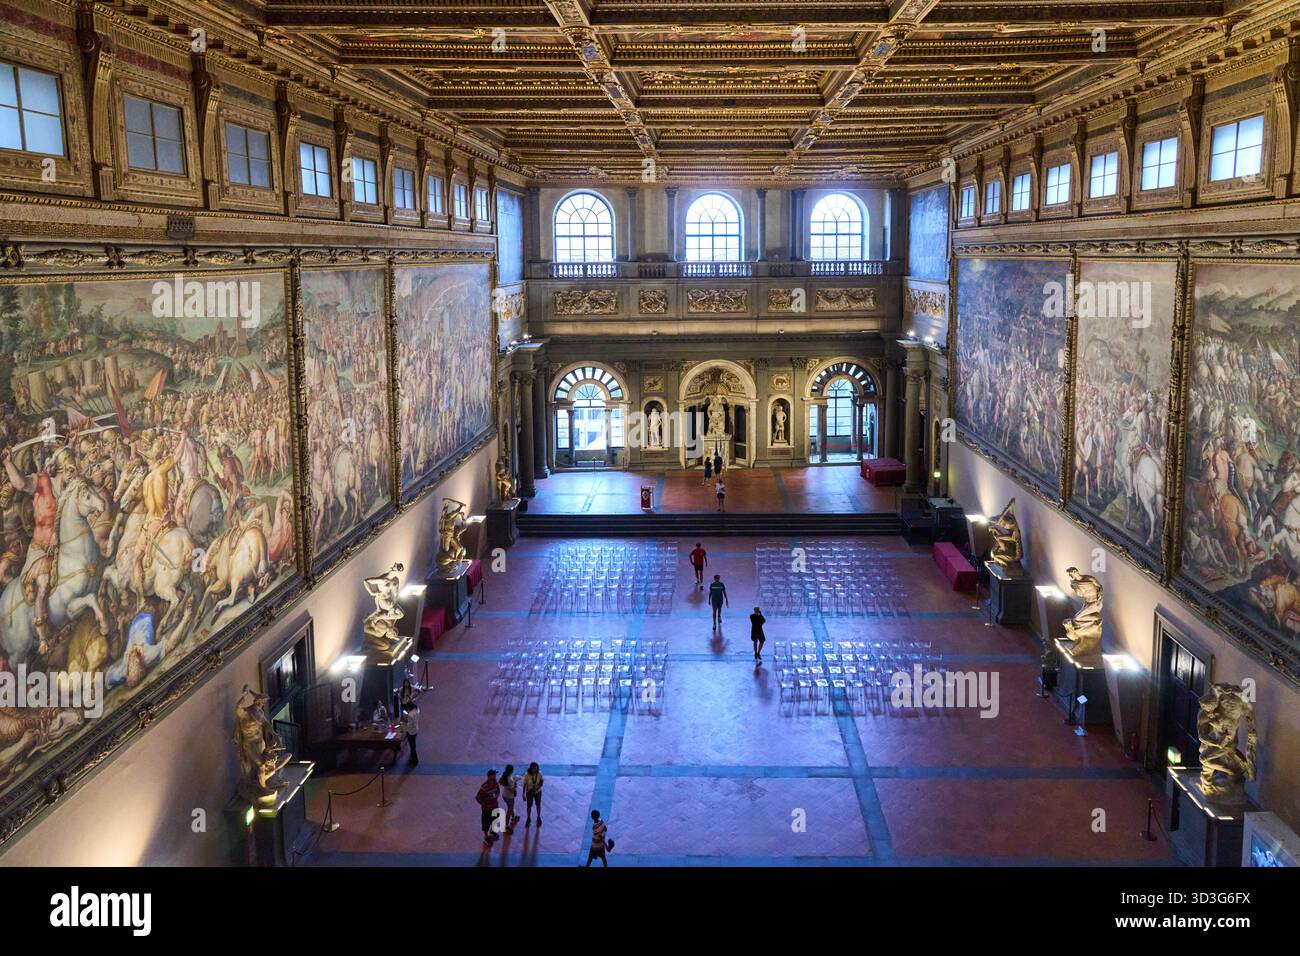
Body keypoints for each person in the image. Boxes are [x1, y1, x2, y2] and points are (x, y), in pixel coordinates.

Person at [477, 769, 501, 845]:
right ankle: (486, 837)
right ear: (489, 776)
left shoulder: (495, 783)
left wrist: (495, 797)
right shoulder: (484, 787)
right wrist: (483, 804)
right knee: (486, 823)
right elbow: (477, 797)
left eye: (495, 775)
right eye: (494, 775)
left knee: (495, 819)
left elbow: (498, 791)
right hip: (487, 809)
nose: (495, 776)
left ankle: (493, 831)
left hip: (495, 806)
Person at [500, 764, 520, 834]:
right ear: (511, 771)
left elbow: (501, 782)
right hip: (510, 797)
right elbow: (512, 790)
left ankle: (513, 818)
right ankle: (506, 825)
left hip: (504, 795)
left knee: (510, 807)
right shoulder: (510, 779)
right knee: (509, 810)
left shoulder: (504, 776)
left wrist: (511, 783)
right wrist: (515, 785)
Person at [523, 762, 544, 827]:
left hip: (538, 792)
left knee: (538, 805)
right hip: (529, 792)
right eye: (534, 769)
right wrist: (523, 794)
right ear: (531, 768)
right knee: (529, 806)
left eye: (536, 769)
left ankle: (538, 817)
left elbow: (541, 781)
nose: (535, 770)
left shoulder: (539, 773)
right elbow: (524, 784)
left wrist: (538, 787)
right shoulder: (527, 775)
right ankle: (528, 818)